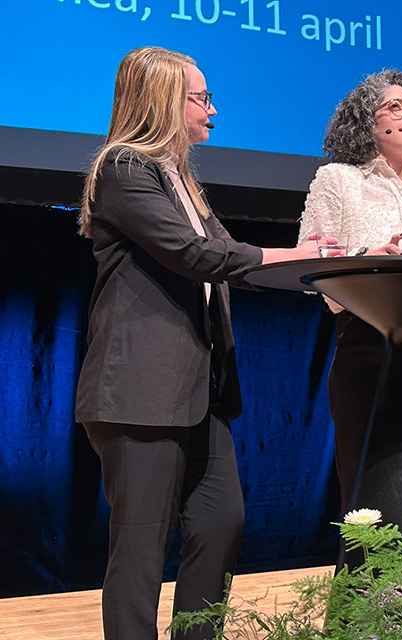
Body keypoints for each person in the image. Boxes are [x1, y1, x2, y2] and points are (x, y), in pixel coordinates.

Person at [75, 47, 324, 640]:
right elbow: (197, 257)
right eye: (201, 97)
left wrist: (321, 263)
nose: (212, 110)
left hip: (198, 390)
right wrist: (296, 256)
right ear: (164, 100)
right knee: (139, 548)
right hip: (141, 388)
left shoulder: (181, 179)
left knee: (220, 521)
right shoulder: (124, 168)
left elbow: (231, 261)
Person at [297, 69, 402, 514]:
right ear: (365, 120)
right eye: (395, 107)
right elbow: (308, 259)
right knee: (368, 476)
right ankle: (368, 584)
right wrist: (363, 256)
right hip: (366, 337)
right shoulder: (337, 179)